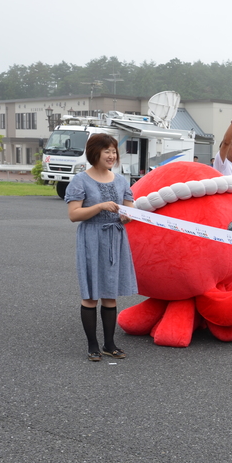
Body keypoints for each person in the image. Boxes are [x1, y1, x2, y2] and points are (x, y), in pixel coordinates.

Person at [65, 133, 138, 361]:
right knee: (91, 296)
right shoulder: (80, 180)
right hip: (92, 238)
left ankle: (109, 344)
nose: (111, 155)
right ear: (94, 152)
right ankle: (93, 346)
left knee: (110, 295)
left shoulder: (121, 180)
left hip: (115, 238)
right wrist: (99, 207)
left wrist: (127, 217)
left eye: (114, 151)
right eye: (107, 150)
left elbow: (129, 210)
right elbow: (74, 215)